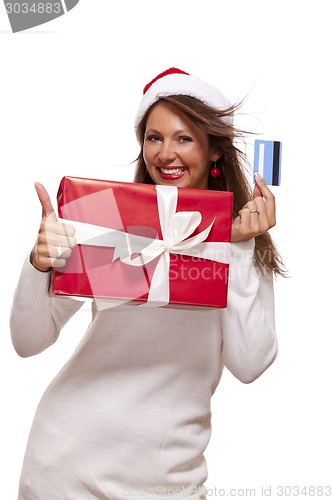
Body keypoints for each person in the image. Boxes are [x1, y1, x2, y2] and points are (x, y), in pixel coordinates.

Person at [10, 67, 284, 499]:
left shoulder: (242, 243)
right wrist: (37, 264)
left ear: (214, 150)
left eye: (184, 138)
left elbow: (250, 365)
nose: (165, 154)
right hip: (64, 470)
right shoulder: (115, 219)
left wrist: (239, 250)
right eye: (153, 138)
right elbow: (29, 341)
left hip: (171, 484)